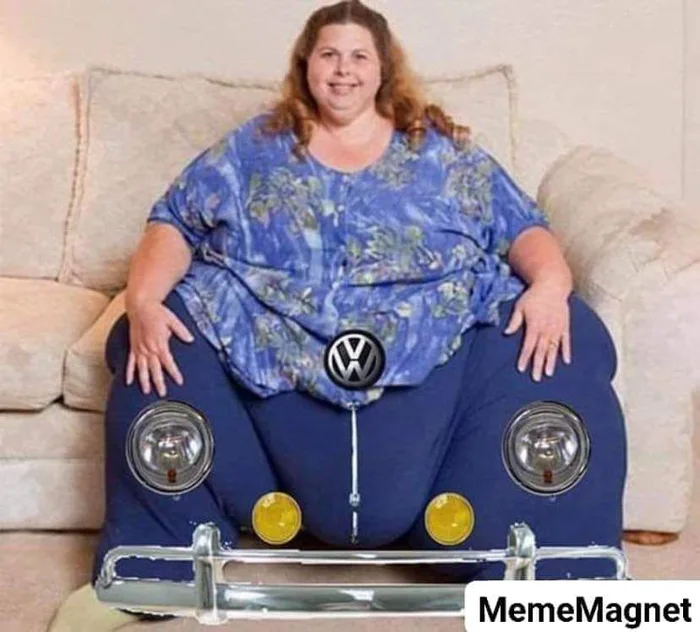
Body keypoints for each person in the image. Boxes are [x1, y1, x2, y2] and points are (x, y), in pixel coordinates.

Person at [48, 1, 626, 629]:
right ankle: (149, 569)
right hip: (271, 352)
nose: (343, 70)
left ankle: (559, 576)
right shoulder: (253, 150)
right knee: (155, 334)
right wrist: (142, 299)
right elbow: (176, 220)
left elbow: (522, 226)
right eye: (329, 54)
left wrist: (552, 283)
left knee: (567, 334)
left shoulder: (441, 151)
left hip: (432, 360)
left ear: (383, 69)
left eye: (358, 57)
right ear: (306, 65)